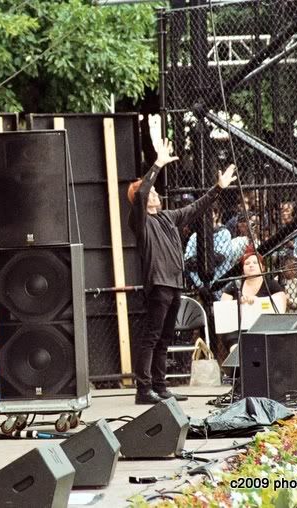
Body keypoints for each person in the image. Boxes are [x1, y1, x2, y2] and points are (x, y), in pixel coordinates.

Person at [127, 114, 236, 405]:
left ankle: (160, 387)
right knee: (151, 336)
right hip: (158, 283)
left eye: (156, 196)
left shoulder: (168, 218)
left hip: (174, 283)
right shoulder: (140, 222)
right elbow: (142, 193)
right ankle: (143, 389)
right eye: (150, 196)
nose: (155, 198)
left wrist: (218, 189)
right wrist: (158, 163)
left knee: (164, 337)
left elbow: (196, 208)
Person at [221, 251, 287, 313]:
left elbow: (281, 302)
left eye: (255, 263)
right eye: (247, 263)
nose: (251, 265)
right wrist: (238, 302)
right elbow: (223, 306)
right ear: (243, 269)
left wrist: (258, 302)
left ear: (263, 268)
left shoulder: (270, 283)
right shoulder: (237, 284)